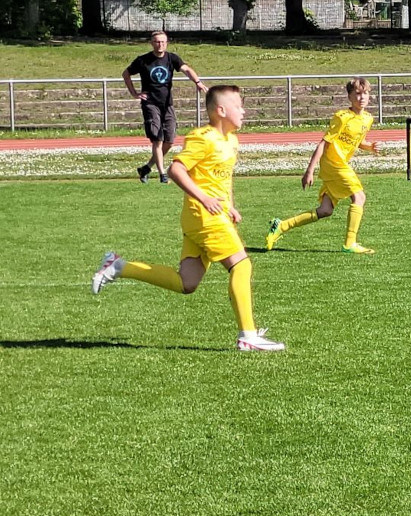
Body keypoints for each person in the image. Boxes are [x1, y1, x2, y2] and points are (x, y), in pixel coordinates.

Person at [92, 85, 285, 352]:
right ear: (221, 111)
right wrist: (205, 199)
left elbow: (222, 177)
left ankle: (119, 266)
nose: (244, 111)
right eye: (239, 105)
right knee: (241, 266)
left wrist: (230, 205)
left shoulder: (231, 140)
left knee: (187, 283)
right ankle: (248, 335)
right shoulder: (203, 138)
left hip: (206, 217)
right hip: (204, 216)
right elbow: (176, 169)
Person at [264, 77, 380, 254]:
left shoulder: (368, 119)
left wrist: (369, 147)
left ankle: (281, 226)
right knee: (360, 197)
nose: (361, 97)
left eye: (365, 93)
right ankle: (350, 243)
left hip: (339, 165)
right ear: (349, 96)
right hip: (334, 163)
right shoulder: (342, 117)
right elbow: (323, 143)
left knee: (325, 210)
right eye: (357, 93)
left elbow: (358, 141)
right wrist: (309, 171)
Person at [123, 31, 209, 184]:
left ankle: (146, 168)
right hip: (150, 103)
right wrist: (134, 93)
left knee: (169, 141)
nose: (160, 44)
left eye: (163, 42)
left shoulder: (171, 58)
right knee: (157, 139)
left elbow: (187, 69)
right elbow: (126, 74)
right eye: (157, 42)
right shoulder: (143, 60)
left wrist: (197, 82)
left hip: (167, 104)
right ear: (152, 43)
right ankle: (163, 174)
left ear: (167, 43)